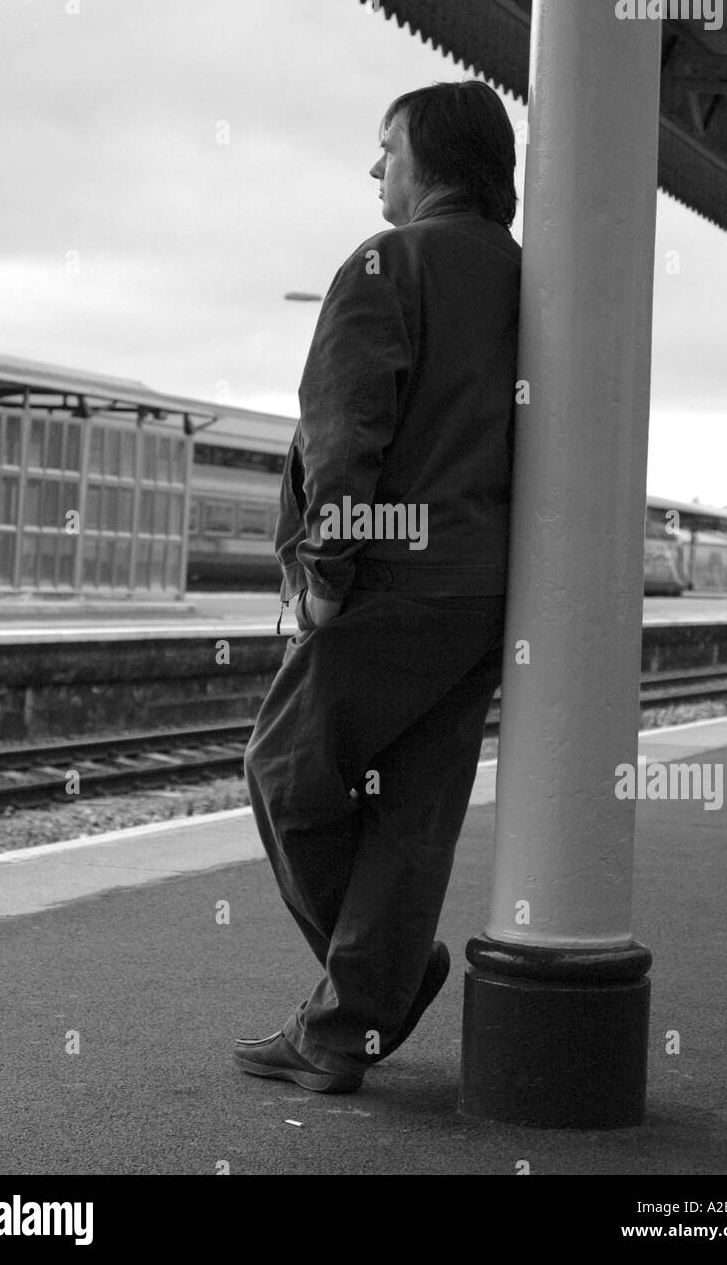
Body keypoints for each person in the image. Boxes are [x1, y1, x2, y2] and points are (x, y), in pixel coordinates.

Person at [237, 80, 522, 1093]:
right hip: (493, 591)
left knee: (283, 770)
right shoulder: (534, 278)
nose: (375, 171)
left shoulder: (384, 265)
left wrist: (325, 576)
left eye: (385, 149)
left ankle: (383, 985)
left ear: (433, 161)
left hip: (392, 581)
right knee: (411, 811)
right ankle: (344, 1030)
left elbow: (344, 431)